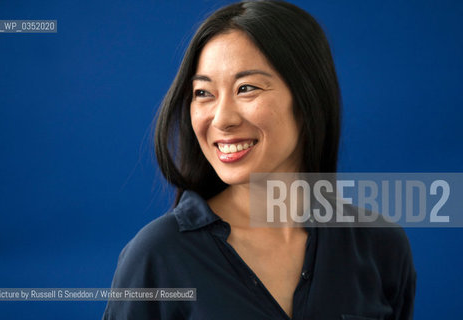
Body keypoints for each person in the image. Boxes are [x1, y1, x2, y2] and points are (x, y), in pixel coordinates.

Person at [103, 1, 416, 319]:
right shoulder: (156, 256)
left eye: (246, 88)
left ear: (309, 98)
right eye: (203, 93)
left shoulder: (379, 246)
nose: (222, 119)